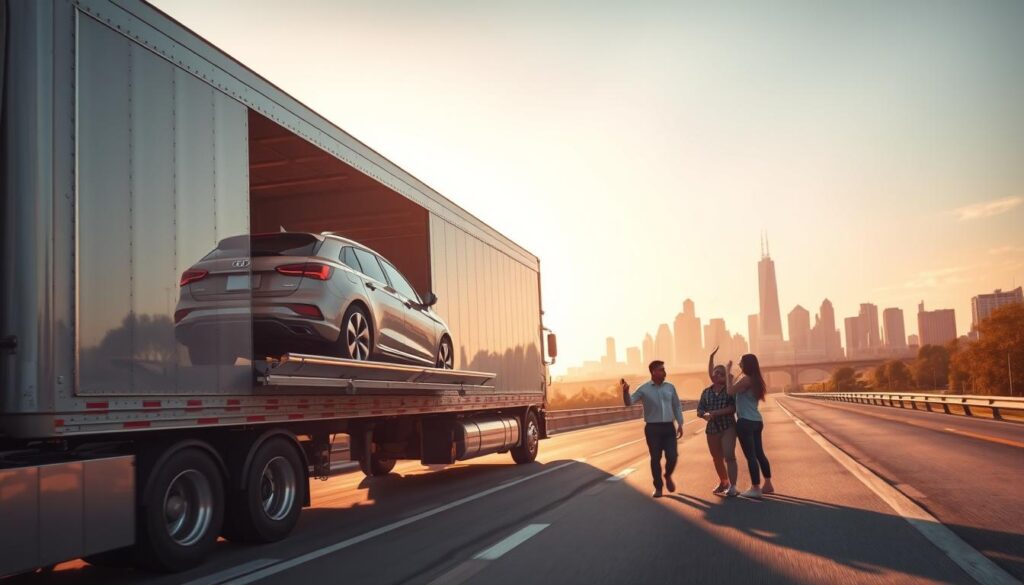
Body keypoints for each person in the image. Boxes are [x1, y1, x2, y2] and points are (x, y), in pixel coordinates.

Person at [621, 360, 683, 498]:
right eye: (661, 369)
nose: (664, 372)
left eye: (664, 369)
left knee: (672, 456)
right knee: (655, 458)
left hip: (669, 427)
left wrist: (680, 423)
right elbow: (629, 403)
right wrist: (625, 392)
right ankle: (658, 487)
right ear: (653, 372)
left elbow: (677, 406)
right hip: (653, 428)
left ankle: (667, 475)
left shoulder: (670, 387)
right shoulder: (644, 389)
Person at [726, 353, 774, 499]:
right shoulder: (756, 379)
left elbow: (730, 391)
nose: (739, 365)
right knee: (759, 453)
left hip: (745, 422)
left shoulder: (746, 379)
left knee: (751, 456)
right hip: (756, 421)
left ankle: (755, 488)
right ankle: (768, 484)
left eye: (741, 362)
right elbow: (736, 392)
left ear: (747, 364)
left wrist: (728, 372)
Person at [697, 347, 738, 497]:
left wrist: (716, 412)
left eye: (721, 373)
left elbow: (733, 407)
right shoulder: (706, 392)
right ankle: (724, 482)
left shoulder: (730, 389)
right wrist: (705, 415)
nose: (717, 375)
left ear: (725, 376)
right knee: (716, 458)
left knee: (729, 455)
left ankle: (733, 486)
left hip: (728, 426)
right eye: (715, 373)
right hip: (712, 429)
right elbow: (699, 409)